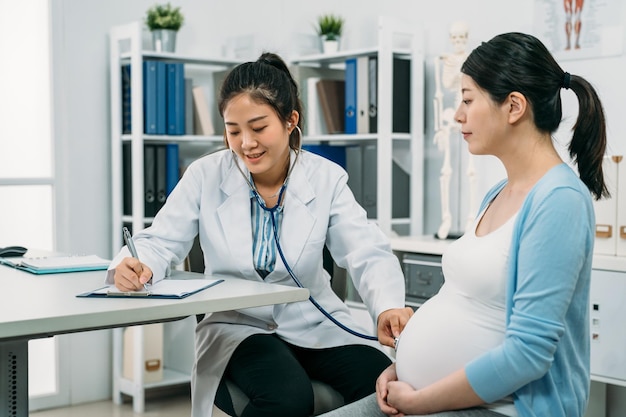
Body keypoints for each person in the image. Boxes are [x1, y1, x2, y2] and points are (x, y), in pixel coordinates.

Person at [107, 52, 414, 417]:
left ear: (290, 121)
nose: (246, 143)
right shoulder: (205, 175)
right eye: (233, 131)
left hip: (313, 322)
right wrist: (136, 263)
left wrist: (389, 305)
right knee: (288, 397)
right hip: (238, 327)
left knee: (385, 384)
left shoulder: (326, 178)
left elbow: (365, 249)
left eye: (258, 127)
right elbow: (161, 239)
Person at [320, 32, 607, 417]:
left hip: (502, 408)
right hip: (427, 394)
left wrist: (421, 399)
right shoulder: (497, 192)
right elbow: (463, 301)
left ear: (514, 106)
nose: (458, 114)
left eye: (469, 100)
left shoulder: (560, 201)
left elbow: (529, 354)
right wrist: (400, 367)